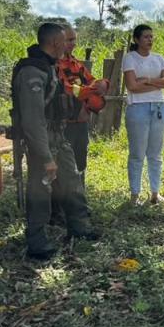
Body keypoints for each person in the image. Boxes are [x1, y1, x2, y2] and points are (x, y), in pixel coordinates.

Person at [12, 22, 97, 260]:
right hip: (42, 139)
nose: (68, 45)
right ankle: (37, 242)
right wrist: (45, 156)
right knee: (40, 191)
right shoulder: (32, 72)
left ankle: (80, 228)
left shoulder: (49, 67)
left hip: (59, 136)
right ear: (55, 42)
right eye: (65, 40)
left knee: (72, 181)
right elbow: (32, 120)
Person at [122, 24, 164, 205]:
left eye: (151, 36)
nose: (150, 40)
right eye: (146, 37)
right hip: (137, 109)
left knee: (155, 153)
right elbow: (132, 86)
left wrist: (148, 80)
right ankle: (134, 194)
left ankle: (155, 193)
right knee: (137, 153)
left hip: (159, 108)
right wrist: (158, 84)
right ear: (136, 39)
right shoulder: (130, 58)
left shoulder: (159, 58)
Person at [56, 26, 110, 187]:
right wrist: (90, 90)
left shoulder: (76, 64)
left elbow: (92, 81)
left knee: (80, 164)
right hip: (61, 126)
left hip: (81, 123)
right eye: (69, 40)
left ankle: (79, 193)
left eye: (74, 39)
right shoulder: (52, 65)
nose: (73, 43)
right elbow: (66, 89)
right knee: (62, 165)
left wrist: (103, 84)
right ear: (57, 41)